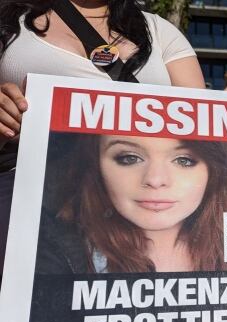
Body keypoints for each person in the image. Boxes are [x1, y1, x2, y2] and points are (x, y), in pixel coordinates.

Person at [0, 0, 206, 275]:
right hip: (23, 202)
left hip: (118, 216)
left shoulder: (159, 31)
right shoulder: (10, 22)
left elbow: (204, 130)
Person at [38, 133, 227, 273]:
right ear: (96, 164)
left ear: (214, 172)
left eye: (184, 160)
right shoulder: (56, 250)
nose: (155, 179)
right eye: (129, 158)